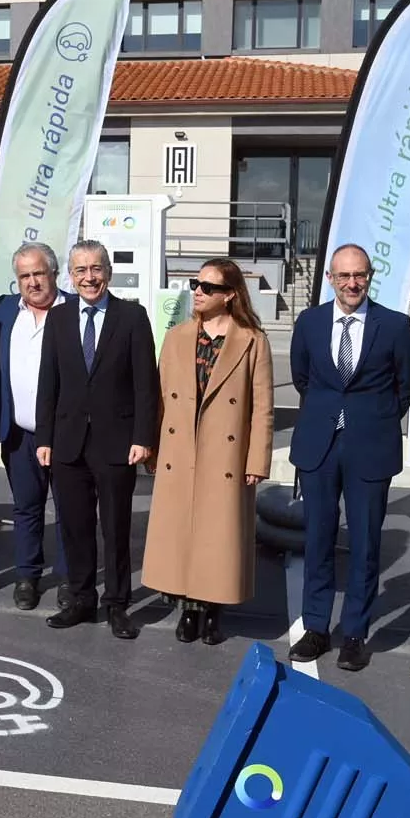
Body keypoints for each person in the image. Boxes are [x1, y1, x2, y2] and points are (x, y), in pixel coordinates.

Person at [287, 244, 410, 671]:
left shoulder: (395, 326)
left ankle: (356, 634)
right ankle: (316, 628)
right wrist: (334, 416)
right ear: (330, 278)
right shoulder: (308, 323)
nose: (351, 284)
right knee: (318, 540)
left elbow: (408, 383)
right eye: (343, 277)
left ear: (370, 276)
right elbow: (302, 378)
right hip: (320, 445)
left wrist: (372, 419)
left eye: (359, 276)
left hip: (371, 446)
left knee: (364, 544)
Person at [140, 259, 275, 645]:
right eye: (196, 284)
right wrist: (153, 447)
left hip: (225, 457)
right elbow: (161, 399)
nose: (198, 291)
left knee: (219, 538)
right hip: (180, 450)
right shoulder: (177, 337)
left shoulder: (253, 340)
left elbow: (262, 407)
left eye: (208, 287)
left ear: (230, 295)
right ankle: (187, 610)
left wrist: (257, 460)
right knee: (182, 534)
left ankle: (214, 611)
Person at [35, 240, 156, 640]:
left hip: (116, 442)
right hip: (68, 442)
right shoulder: (59, 318)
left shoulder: (132, 317)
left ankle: (118, 605)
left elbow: (145, 386)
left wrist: (143, 437)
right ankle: (81, 599)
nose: (90, 278)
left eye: (97, 269)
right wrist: (44, 436)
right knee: (74, 526)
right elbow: (48, 384)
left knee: (116, 528)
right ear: (70, 276)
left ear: (108, 271)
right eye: (81, 271)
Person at [0, 242, 73, 610]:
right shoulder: (4, 312)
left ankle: (71, 579)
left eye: (39, 273)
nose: (32, 282)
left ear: (54, 273)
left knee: (71, 509)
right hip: (19, 433)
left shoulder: (76, 311)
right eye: (24, 276)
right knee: (26, 507)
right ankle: (28, 576)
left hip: (68, 433)